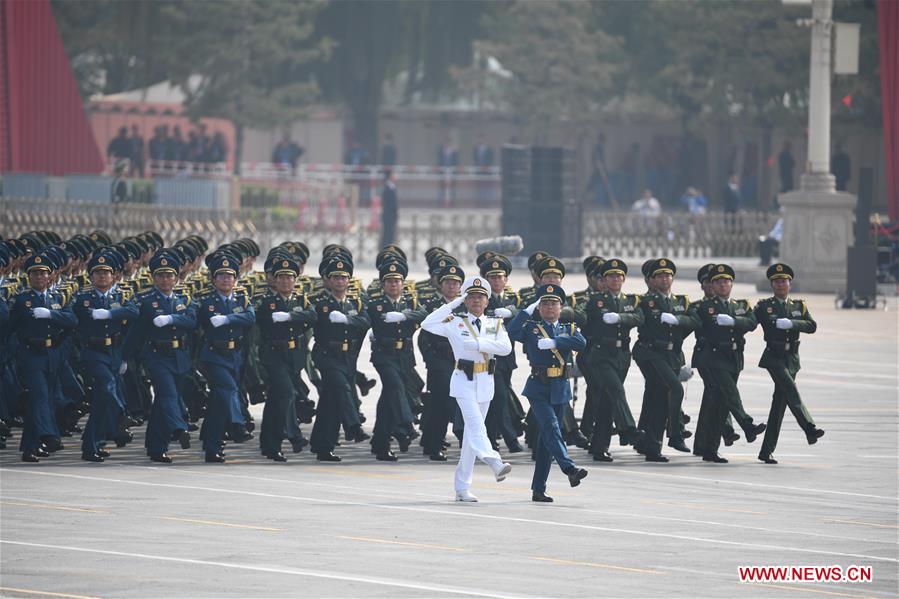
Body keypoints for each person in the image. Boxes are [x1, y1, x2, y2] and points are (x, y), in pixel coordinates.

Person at [421, 276, 513, 502]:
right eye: (471, 297)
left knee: (472, 438)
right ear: (465, 300)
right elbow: (427, 324)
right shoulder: (455, 322)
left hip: (485, 380)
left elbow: (506, 348)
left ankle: (462, 488)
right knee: (475, 424)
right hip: (463, 379)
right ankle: (494, 461)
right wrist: (453, 303)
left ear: (487, 301)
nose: (476, 301)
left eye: (480, 297)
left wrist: (481, 344)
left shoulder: (493, 325)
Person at [507, 284, 589, 502]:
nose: (549, 307)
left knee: (546, 441)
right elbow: (511, 332)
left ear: (561, 308)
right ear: (539, 307)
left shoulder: (568, 328)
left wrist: (555, 341)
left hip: (560, 387)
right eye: (544, 304)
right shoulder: (532, 328)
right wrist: (525, 311)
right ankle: (570, 469)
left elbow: (582, 343)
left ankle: (538, 489)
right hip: (539, 387)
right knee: (552, 428)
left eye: (553, 304)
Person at [686, 264, 767, 463]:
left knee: (719, 405)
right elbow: (691, 325)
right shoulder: (702, 307)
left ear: (732, 284)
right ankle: (747, 425)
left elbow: (751, 323)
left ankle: (710, 450)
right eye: (719, 282)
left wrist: (733, 321)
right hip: (713, 358)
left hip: (733, 359)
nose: (723, 285)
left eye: (727, 281)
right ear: (712, 285)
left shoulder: (741, 305)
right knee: (730, 393)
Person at [125, 250, 197, 463]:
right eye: (161, 275)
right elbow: (135, 333)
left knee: (161, 405)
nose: (165, 280)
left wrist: (172, 318)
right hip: (156, 357)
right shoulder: (145, 301)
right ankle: (178, 428)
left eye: (169, 275)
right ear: (154, 278)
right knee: (167, 394)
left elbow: (192, 321)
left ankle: (156, 447)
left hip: (179, 356)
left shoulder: (184, 299)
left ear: (176, 277)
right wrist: (124, 358)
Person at [7, 253, 77, 462]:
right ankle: (50, 435)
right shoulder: (22, 300)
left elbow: (72, 320)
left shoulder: (58, 299)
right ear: (29, 277)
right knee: (39, 396)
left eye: (42, 273)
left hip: (52, 355)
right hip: (31, 355)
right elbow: (10, 329)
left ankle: (30, 447)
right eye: (35, 273)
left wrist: (50, 314)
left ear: (50, 276)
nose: (39, 277)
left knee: (41, 400)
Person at [754, 264, 824, 464]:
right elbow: (750, 322)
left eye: (784, 281)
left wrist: (793, 323)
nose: (781, 284)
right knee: (791, 390)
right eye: (777, 281)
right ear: (772, 285)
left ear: (789, 284)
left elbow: (812, 326)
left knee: (779, 404)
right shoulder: (764, 306)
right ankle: (809, 427)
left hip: (792, 358)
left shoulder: (798, 306)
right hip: (773, 357)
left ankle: (766, 451)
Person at [72, 251, 138, 462]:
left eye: (106, 272)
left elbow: (134, 311)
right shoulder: (83, 299)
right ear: (91, 277)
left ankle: (92, 445)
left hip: (114, 352)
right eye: (97, 272)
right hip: (93, 352)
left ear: (113, 276)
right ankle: (121, 413)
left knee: (100, 402)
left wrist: (110, 314)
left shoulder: (122, 296)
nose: (102, 276)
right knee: (106, 384)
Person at [577, 259, 644, 462]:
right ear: (604, 280)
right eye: (611, 276)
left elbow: (639, 317)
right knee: (616, 390)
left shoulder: (631, 301)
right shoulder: (594, 300)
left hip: (622, 354)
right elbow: (579, 313)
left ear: (623, 279)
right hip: (600, 354)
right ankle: (629, 430)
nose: (615, 279)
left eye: (618, 276)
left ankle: (599, 446)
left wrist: (621, 318)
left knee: (607, 400)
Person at [309, 256, 370, 462]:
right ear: (328, 280)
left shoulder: (355, 302)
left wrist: (347, 319)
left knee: (330, 401)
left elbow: (365, 321)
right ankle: (353, 427)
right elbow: (307, 319)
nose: (339, 281)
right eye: (335, 277)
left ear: (349, 280)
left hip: (347, 357)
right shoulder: (319, 303)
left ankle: (322, 445)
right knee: (342, 389)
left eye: (343, 277)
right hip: (326, 356)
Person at [632, 259, 694, 462]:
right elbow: (637, 319)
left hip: (672, 355)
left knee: (658, 398)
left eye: (668, 275)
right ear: (650, 280)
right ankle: (675, 433)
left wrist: (678, 321)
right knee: (676, 389)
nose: (665, 279)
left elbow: (695, 321)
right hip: (651, 353)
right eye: (659, 276)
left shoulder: (681, 301)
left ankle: (652, 447)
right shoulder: (643, 302)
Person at [196, 254, 256, 463]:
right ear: (213, 280)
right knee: (229, 389)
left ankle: (212, 447)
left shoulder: (242, 299)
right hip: (214, 356)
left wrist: (228, 319)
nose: (225, 280)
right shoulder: (205, 301)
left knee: (218, 404)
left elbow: (250, 317)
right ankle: (238, 425)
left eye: (229, 276)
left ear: (235, 279)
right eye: (220, 276)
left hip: (235, 356)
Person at [366, 258, 426, 461]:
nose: (394, 284)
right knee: (396, 387)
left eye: (397, 281)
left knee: (388, 400)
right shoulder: (375, 305)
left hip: (405, 357)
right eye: (390, 281)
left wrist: (405, 316)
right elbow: (363, 320)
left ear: (403, 283)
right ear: (383, 285)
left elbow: (425, 315)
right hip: (384, 356)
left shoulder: (410, 303)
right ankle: (406, 426)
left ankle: (380, 444)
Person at [418, 261, 463, 461]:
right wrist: (431, 360)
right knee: (439, 404)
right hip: (439, 362)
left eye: (456, 283)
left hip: (460, 362)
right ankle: (434, 443)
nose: (452, 286)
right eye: (448, 282)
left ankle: (432, 441)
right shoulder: (432, 306)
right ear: (440, 284)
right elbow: (423, 337)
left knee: (452, 403)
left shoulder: (466, 306)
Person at [380, 168, 398, 248]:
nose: (395, 176)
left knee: (390, 234)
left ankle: (387, 248)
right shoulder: (388, 187)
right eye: (394, 174)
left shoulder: (391, 187)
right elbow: (390, 204)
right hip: (388, 215)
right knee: (387, 235)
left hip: (391, 215)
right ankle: (385, 250)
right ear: (390, 176)